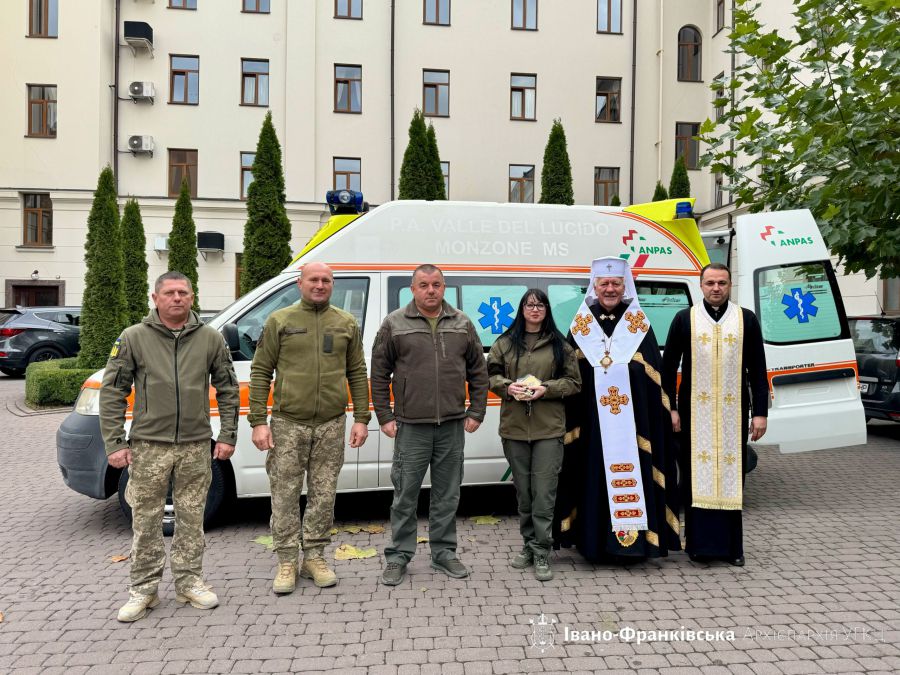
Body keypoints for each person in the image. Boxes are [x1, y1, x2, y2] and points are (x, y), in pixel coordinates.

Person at [100, 271, 240, 623]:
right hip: (149, 445)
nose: (177, 298)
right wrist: (115, 442)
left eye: (184, 292)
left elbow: (227, 388)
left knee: (192, 518)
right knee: (146, 520)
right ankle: (144, 590)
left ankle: (189, 582)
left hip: (195, 445)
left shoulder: (210, 338)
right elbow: (113, 391)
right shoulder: (134, 338)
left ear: (192, 297)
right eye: (170, 293)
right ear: (155, 298)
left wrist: (227, 436)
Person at [248, 262, 370, 593]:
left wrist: (361, 417)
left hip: (331, 424)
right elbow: (260, 371)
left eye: (326, 280)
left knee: (324, 495)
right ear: (300, 284)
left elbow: (357, 372)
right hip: (288, 424)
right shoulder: (280, 321)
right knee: (284, 494)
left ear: (333, 286)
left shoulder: (345, 323)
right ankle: (287, 560)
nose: (320, 285)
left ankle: (314, 556)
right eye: (313, 279)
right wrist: (258, 421)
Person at [554, 257, 681, 563]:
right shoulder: (581, 326)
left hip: (634, 426)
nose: (610, 289)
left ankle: (636, 545)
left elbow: (656, 378)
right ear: (594, 287)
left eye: (615, 284)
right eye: (604, 284)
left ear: (625, 287)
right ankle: (594, 543)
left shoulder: (638, 324)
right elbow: (573, 378)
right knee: (592, 476)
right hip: (594, 426)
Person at [371, 264, 489, 586]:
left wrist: (476, 411)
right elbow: (379, 373)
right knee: (405, 494)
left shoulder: (462, 323)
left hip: (452, 425)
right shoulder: (395, 323)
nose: (430, 290)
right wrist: (384, 416)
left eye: (436, 284)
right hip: (411, 426)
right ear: (413, 289)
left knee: (447, 495)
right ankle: (398, 556)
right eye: (423, 285)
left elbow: (479, 370)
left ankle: (444, 553)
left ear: (444, 287)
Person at [662, 262, 768, 566]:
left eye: (722, 282)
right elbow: (668, 369)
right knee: (697, 479)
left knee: (732, 478)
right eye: (710, 283)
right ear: (701, 285)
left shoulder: (745, 319)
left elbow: (758, 370)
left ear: (730, 285)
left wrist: (760, 413)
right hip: (695, 415)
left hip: (734, 414)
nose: (716, 288)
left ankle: (734, 549)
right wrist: (670, 408)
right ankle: (699, 547)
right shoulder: (685, 319)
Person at [487, 289, 580, 581]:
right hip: (514, 428)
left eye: (540, 305)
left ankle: (542, 549)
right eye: (530, 304)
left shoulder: (559, 345)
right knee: (524, 494)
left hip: (548, 428)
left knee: (544, 493)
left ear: (546, 309)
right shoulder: (504, 342)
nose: (535, 309)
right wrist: (506, 386)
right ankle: (528, 544)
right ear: (522, 309)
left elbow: (574, 382)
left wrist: (547, 389)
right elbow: (488, 376)